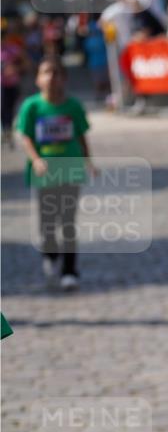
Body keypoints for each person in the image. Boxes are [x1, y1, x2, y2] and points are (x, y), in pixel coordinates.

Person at [16, 57, 91, 291]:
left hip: (70, 170)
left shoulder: (73, 106)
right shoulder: (32, 106)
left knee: (68, 221)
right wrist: (36, 160)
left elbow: (81, 136)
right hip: (45, 173)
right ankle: (50, 255)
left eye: (56, 73)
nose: (51, 77)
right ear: (38, 79)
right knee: (48, 222)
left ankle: (70, 271)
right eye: (46, 72)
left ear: (64, 78)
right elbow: (26, 137)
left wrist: (88, 162)